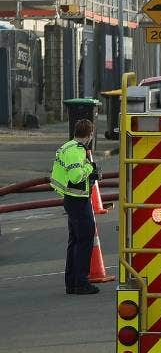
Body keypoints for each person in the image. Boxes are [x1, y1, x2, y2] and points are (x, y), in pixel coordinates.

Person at [51, 119, 101, 295]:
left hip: (72, 199)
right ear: (89, 135)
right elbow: (76, 176)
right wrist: (89, 168)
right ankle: (80, 282)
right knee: (84, 240)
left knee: (75, 240)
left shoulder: (67, 146)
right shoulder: (76, 151)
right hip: (78, 200)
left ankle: (72, 282)